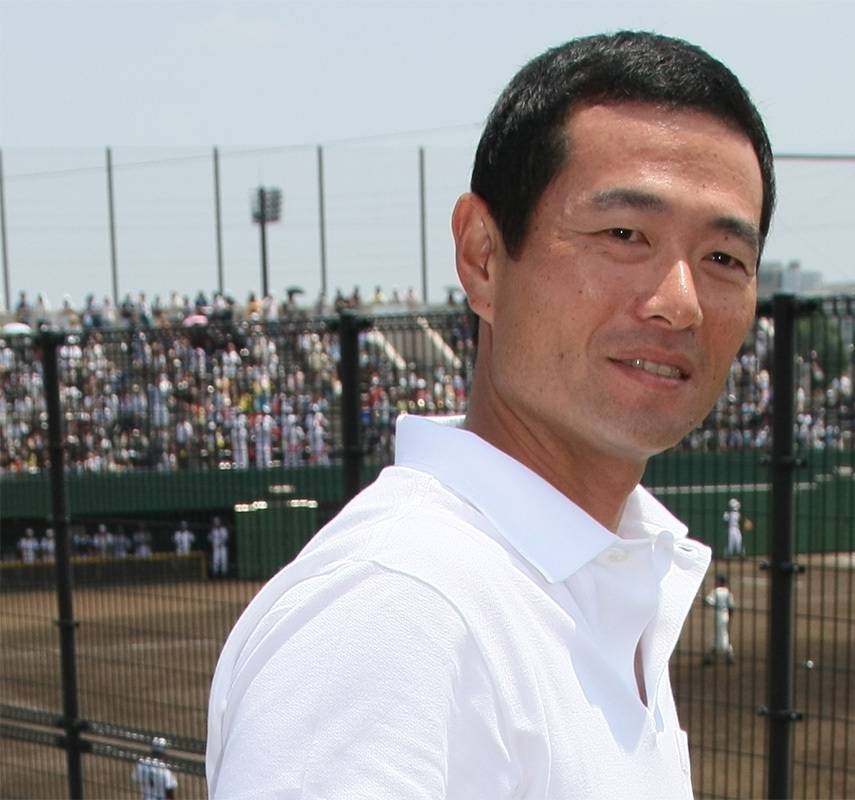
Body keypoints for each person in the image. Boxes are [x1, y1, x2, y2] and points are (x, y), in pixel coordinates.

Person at [208, 30, 774, 798]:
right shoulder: (396, 611)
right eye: (623, 235)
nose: (679, 302)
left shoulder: (590, 578)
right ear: (482, 257)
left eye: (724, 259)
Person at [702, 574, 737, 665]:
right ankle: (725, 655)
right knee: (722, 634)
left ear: (720, 582)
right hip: (725, 616)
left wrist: (704, 600)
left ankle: (724, 654)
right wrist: (729, 617)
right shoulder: (728, 592)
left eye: (717, 580)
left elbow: (709, 602)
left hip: (717, 617)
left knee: (718, 636)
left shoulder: (716, 591)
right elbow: (731, 607)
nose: (715, 582)